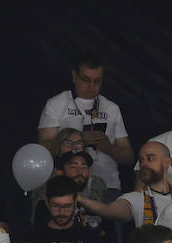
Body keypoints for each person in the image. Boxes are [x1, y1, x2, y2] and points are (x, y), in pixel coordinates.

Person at [36, 53, 132, 193]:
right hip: (65, 186)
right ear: (74, 76)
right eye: (86, 80)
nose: (91, 86)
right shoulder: (56, 104)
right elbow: (43, 146)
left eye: (97, 81)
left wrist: (110, 148)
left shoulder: (112, 108)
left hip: (107, 186)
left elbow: (128, 156)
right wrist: (79, 140)